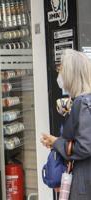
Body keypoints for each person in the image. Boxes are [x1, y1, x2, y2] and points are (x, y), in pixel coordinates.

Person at [41, 49, 91, 199]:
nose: (59, 76)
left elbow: (85, 146)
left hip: (83, 182)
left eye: (61, 70)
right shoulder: (82, 102)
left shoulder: (82, 103)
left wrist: (57, 142)